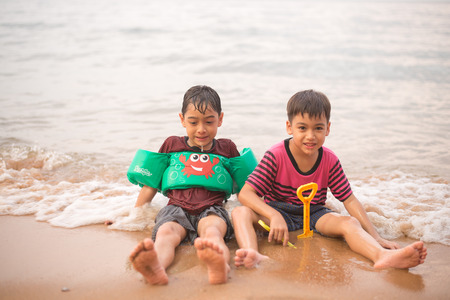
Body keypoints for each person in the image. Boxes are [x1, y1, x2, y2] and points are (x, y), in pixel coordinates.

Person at [231, 89, 427, 270]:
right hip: (278, 210)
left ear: (328, 128)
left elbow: (348, 199)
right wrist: (273, 215)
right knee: (241, 212)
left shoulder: (329, 159)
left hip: (315, 213)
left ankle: (381, 255)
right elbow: (246, 193)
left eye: (318, 128)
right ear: (289, 127)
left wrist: (376, 236)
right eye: (302, 128)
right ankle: (252, 253)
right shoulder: (276, 155)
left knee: (349, 223)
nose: (310, 136)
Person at [129, 85, 240, 285]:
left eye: (209, 121)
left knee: (213, 233)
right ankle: (156, 268)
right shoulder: (171, 145)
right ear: (182, 120)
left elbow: (245, 187)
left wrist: (256, 215)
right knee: (165, 234)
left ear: (220, 119)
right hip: (175, 208)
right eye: (193, 121)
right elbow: (151, 185)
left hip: (212, 208)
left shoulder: (227, 148)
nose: (201, 129)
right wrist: (133, 217)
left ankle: (219, 265)